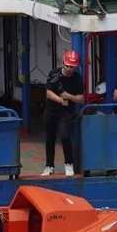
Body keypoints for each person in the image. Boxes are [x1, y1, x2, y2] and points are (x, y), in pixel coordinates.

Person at [43, 49, 85, 177]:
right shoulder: (53, 74)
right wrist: (61, 100)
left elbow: (80, 98)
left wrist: (68, 96)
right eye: (68, 66)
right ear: (63, 63)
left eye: (72, 67)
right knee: (49, 138)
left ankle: (69, 163)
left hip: (65, 112)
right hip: (51, 109)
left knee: (65, 136)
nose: (69, 69)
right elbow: (49, 93)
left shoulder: (77, 79)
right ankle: (49, 166)